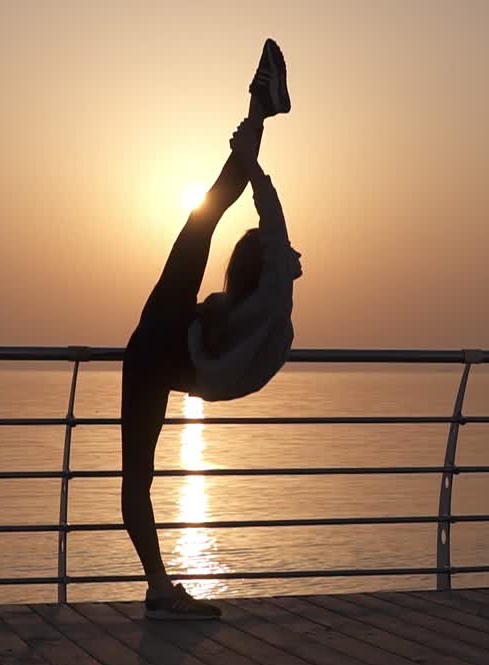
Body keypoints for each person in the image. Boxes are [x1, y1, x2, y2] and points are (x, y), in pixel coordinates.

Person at [122, 39, 301, 620]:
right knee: (211, 207)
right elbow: (268, 222)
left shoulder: (267, 292)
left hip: (163, 342)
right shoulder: (265, 309)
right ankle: (259, 101)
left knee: (209, 209)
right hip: (180, 359)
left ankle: (259, 100)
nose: (298, 255)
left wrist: (251, 149)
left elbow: (260, 204)